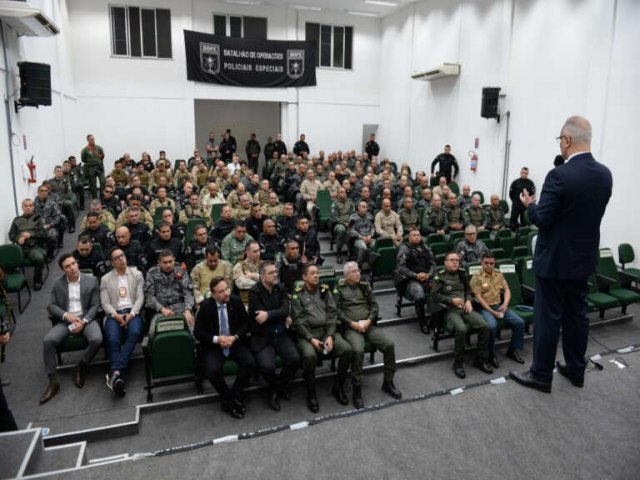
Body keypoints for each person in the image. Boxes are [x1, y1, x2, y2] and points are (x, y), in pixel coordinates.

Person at [510, 116, 612, 393]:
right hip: (583, 261)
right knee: (577, 317)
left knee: (548, 320)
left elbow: (542, 219)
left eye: (560, 140)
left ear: (567, 140)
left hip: (554, 262)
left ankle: (542, 375)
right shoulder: (605, 175)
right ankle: (577, 370)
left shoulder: (559, 176)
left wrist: (530, 205)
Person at [335, 262, 402, 409]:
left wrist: (369, 320)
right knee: (358, 351)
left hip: (368, 325)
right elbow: (337, 311)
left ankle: (388, 382)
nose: (358, 273)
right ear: (346, 276)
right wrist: (351, 323)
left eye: (358, 270)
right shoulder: (339, 289)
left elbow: (374, 306)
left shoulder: (364, 285)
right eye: (353, 272)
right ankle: (357, 390)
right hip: (351, 328)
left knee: (389, 344)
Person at [41, 254, 103, 404]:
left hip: (86, 318)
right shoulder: (57, 283)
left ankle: (80, 366)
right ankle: (53, 381)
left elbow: (96, 305)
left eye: (73, 263)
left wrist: (84, 321)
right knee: (48, 341)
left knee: (97, 339)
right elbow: (51, 306)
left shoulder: (92, 280)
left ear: (77, 264)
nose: (72, 268)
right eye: (67, 266)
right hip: (66, 321)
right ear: (63, 270)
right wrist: (66, 315)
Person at [292, 264, 353, 413]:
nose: (316, 276)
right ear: (304, 277)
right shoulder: (297, 294)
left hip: (327, 332)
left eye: (317, 273)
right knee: (310, 355)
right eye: (312, 273)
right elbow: (298, 321)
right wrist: (311, 338)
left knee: (347, 350)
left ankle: (338, 387)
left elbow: (332, 314)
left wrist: (330, 336)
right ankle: (311, 393)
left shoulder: (325, 291)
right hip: (307, 335)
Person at [194, 276, 254, 419]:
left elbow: (246, 325)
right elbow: (198, 332)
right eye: (221, 291)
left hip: (234, 342)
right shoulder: (206, 307)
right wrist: (217, 339)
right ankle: (230, 398)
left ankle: (232, 396)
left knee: (250, 363)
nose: (226, 293)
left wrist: (235, 337)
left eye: (227, 289)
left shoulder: (236, 301)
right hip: (214, 346)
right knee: (212, 371)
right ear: (213, 294)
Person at [248, 261, 300, 411]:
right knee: (267, 367)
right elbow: (259, 318)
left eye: (276, 272)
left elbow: (284, 310)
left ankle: (276, 388)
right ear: (262, 276)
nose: (275, 275)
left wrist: (270, 314)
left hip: (280, 334)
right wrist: (278, 315)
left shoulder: (280, 287)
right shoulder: (254, 292)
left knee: (295, 359)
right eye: (271, 273)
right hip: (262, 337)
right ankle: (278, 388)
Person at [432, 251, 492, 379]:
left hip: (465, 308)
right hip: (449, 310)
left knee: (484, 326)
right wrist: (451, 300)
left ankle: (480, 359)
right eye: (452, 260)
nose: (455, 262)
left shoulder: (462, 273)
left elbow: (469, 290)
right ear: (445, 262)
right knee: (461, 329)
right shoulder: (439, 275)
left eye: (457, 260)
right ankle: (458, 362)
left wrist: (469, 301)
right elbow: (434, 296)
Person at [100, 247, 145, 397]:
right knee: (112, 339)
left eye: (123, 256)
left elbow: (140, 298)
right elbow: (105, 303)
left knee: (135, 332)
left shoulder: (137, 274)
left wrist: (131, 314)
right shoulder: (105, 279)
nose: (122, 259)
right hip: (115, 314)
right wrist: (116, 315)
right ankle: (118, 378)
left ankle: (116, 373)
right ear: (112, 263)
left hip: (133, 311)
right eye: (117, 257)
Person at [470, 253, 526, 366]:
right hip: (484, 308)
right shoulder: (476, 277)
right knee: (492, 326)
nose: (489, 265)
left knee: (519, 322)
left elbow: (507, 290)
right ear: (481, 263)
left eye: (491, 263)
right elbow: (479, 298)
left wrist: (505, 305)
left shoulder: (498, 274)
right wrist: (492, 312)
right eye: (486, 263)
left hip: (499, 306)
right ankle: (490, 353)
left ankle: (513, 350)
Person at [395, 228, 436, 332]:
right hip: (411, 279)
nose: (417, 237)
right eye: (414, 235)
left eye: (418, 235)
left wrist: (429, 274)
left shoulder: (426, 247)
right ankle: (422, 322)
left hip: (427, 277)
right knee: (419, 295)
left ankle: (435, 320)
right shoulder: (404, 248)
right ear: (409, 237)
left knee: (441, 291)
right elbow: (401, 268)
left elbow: (433, 264)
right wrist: (416, 275)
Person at [144, 249, 195, 335]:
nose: (168, 265)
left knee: (191, 330)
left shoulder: (181, 271)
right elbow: (149, 296)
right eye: (165, 262)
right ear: (159, 262)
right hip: (161, 310)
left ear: (174, 260)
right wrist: (162, 309)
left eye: (170, 261)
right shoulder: (152, 273)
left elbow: (188, 292)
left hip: (181, 308)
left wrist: (188, 310)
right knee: (153, 332)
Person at [9, 199, 48, 290]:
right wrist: (18, 238)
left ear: (33, 207)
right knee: (9, 259)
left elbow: (44, 234)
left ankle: (37, 280)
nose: (28, 208)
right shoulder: (17, 220)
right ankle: (17, 280)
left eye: (30, 205)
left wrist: (30, 235)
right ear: (22, 207)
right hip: (20, 247)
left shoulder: (38, 219)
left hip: (33, 246)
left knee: (39, 258)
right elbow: (11, 235)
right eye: (26, 206)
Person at [330, 187, 354, 264]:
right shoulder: (334, 204)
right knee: (341, 230)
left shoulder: (350, 202)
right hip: (339, 223)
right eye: (341, 192)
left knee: (355, 229)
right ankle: (339, 253)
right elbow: (334, 217)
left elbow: (353, 214)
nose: (343, 193)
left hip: (349, 222)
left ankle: (351, 252)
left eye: (344, 192)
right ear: (337, 194)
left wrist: (350, 222)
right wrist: (344, 223)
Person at [81, 134, 105, 199]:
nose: (93, 140)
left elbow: (102, 156)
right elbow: (83, 159)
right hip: (91, 168)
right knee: (93, 184)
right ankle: (95, 198)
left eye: (93, 139)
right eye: (91, 139)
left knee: (103, 181)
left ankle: (102, 197)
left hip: (99, 166)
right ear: (88, 140)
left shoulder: (99, 148)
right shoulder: (85, 150)